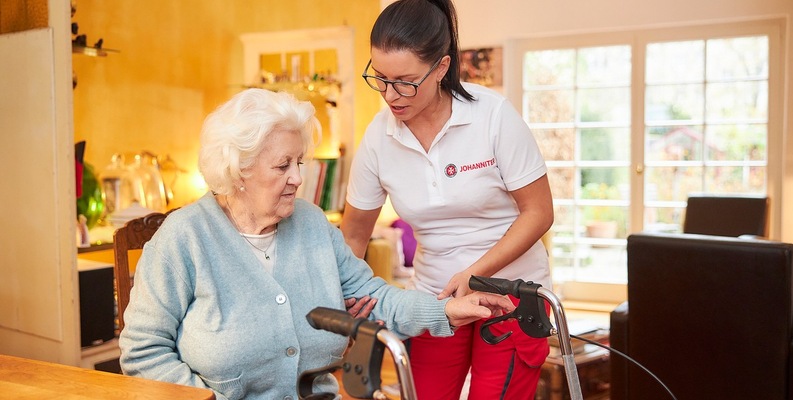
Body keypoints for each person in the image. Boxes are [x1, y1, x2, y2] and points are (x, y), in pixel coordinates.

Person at [117, 88, 515, 400]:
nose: (297, 178)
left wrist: (446, 308)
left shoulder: (311, 224)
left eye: (299, 163)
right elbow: (143, 350)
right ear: (238, 169)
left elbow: (375, 297)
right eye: (282, 166)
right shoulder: (184, 238)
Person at [340, 0, 555, 399]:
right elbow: (353, 237)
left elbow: (539, 212)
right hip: (435, 299)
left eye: (405, 81)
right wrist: (344, 298)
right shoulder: (378, 137)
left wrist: (473, 273)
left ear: (441, 67)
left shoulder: (492, 116)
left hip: (511, 292)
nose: (390, 95)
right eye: (380, 78)